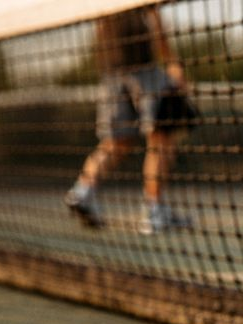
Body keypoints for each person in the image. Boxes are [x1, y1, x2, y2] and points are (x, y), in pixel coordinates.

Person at [64, 6, 193, 234]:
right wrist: (172, 63)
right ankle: (155, 211)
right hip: (144, 71)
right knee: (160, 141)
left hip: (112, 72)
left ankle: (82, 192)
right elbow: (155, 24)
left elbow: (100, 28)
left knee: (116, 143)